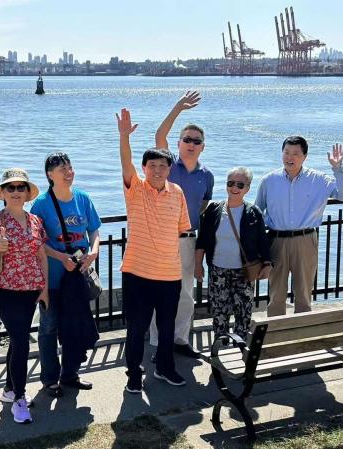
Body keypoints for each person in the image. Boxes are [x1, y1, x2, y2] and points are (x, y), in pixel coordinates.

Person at [117, 108, 191, 394]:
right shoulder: (136, 189)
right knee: (136, 328)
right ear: (144, 168)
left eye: (162, 166)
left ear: (169, 169)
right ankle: (134, 374)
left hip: (169, 275)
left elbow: (181, 229)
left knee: (167, 326)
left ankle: (164, 367)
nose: (157, 170)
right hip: (137, 273)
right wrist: (124, 136)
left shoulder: (177, 193)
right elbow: (126, 163)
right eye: (152, 166)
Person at [30, 151, 101, 397]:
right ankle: (50, 379)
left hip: (78, 277)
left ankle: (70, 374)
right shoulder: (41, 204)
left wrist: (93, 252)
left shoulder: (83, 198)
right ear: (50, 175)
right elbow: (36, 242)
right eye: (63, 169)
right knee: (49, 327)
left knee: (75, 324)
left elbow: (94, 230)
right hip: (52, 278)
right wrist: (61, 257)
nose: (69, 172)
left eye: (70, 167)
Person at [255, 137, 343, 316]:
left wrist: (338, 169)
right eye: (286, 152)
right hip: (276, 241)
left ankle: (302, 331)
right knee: (276, 295)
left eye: (295, 154)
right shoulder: (268, 180)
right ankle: (276, 332)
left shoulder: (319, 179)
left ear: (305, 156)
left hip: (305, 240)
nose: (289, 157)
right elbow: (257, 212)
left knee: (304, 294)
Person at [150, 90, 214, 359]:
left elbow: (203, 206)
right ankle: (157, 342)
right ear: (178, 144)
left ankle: (180, 339)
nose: (191, 144)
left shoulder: (207, 176)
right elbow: (159, 136)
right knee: (160, 291)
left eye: (196, 141)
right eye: (186, 139)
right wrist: (178, 108)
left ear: (202, 147)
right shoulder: (168, 167)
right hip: (163, 239)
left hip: (188, 239)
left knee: (186, 292)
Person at [0, 168, 48, 424]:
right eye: (11, 187)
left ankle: (10, 390)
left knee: (17, 341)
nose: (17, 192)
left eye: (21, 187)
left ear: (28, 193)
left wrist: (45, 288)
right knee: (21, 341)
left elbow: (41, 256)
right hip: (6, 290)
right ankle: (19, 397)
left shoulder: (35, 221)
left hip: (31, 289)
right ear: (3, 193)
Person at [195, 167, 271, 341]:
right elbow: (202, 241)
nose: (234, 188)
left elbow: (262, 240)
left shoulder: (253, 212)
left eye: (240, 185)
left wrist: (267, 264)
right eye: (231, 183)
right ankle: (220, 348)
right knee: (219, 313)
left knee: (243, 313)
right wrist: (198, 265)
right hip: (218, 271)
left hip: (244, 272)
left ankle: (240, 348)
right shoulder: (213, 210)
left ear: (247, 188)